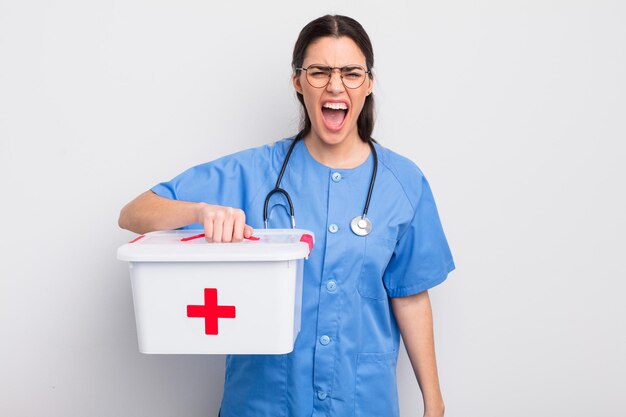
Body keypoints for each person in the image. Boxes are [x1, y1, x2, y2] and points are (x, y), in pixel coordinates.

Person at [119, 14, 455, 417]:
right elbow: (134, 212)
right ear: (298, 82)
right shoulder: (252, 173)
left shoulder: (403, 183)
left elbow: (412, 296)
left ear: (368, 84)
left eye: (350, 73)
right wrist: (201, 210)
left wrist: (434, 405)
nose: (335, 85)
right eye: (319, 72)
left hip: (362, 403)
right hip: (263, 402)